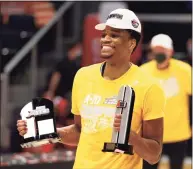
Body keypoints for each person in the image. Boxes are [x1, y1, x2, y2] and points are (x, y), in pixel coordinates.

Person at [17, 9, 166, 169]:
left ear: (131, 43)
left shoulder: (149, 86)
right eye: (104, 34)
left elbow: (154, 155)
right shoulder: (83, 76)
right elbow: (80, 131)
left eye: (114, 35)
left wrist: (130, 136)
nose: (105, 39)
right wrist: (47, 132)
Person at [141, 34, 192, 169]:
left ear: (171, 52)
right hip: (151, 136)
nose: (160, 53)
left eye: (163, 50)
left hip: (178, 134)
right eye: (156, 50)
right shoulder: (143, 71)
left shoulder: (184, 70)